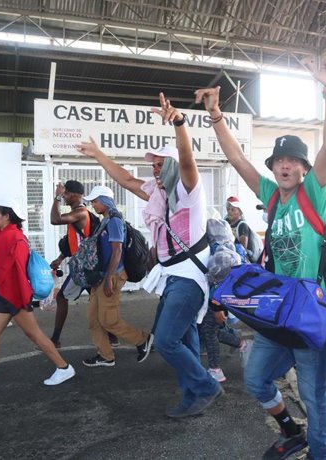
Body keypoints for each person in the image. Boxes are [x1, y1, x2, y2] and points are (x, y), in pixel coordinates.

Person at [195, 54, 326, 460]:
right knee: (257, 378)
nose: (285, 165)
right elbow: (238, 160)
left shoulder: (313, 192)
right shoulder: (272, 197)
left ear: (304, 168)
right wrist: (216, 116)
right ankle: (290, 431)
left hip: (310, 311)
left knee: (313, 394)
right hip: (277, 309)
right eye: (279, 161)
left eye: (292, 161)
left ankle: (321, 454)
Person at [77, 92, 223, 418]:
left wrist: (180, 124)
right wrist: (98, 154)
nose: (156, 169)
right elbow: (126, 178)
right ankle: (193, 395)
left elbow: (187, 160)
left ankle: (205, 386)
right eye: (153, 164)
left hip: (189, 277)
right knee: (184, 338)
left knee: (167, 340)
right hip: (171, 276)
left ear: (171, 165)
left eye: (161, 164)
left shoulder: (188, 190)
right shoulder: (156, 191)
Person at [0, 201, 75, 393]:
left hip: (15, 296)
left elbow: (17, 271)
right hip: (6, 294)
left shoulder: (15, 238)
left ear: (6, 216)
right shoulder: (2, 235)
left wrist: (20, 299)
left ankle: (64, 368)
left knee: (34, 334)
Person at [81, 185, 154, 367]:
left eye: (96, 201)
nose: (93, 205)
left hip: (111, 275)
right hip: (103, 276)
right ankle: (105, 355)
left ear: (105, 201)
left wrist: (109, 278)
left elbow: (117, 251)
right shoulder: (106, 220)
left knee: (108, 320)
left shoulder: (114, 221)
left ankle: (142, 339)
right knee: (93, 319)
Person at [48, 180, 92, 348]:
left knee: (62, 297)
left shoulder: (81, 212)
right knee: (98, 303)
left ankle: (55, 339)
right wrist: (60, 258)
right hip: (84, 266)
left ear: (74, 195)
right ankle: (112, 336)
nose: (64, 197)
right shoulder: (78, 212)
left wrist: (57, 197)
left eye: (65, 194)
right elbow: (74, 241)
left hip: (84, 268)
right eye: (63, 194)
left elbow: (55, 219)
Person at [226, 196, 263, 263]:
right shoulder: (227, 224)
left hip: (243, 260)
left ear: (240, 212)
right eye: (228, 209)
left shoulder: (242, 226)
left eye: (233, 210)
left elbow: (243, 249)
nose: (229, 212)